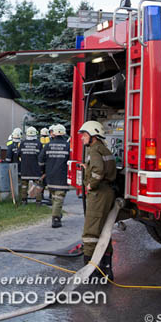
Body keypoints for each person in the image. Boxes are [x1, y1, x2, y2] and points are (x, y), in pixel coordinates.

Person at [79, 120, 117, 280]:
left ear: (93, 135)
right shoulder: (104, 149)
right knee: (103, 231)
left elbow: (98, 171)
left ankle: (88, 271)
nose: (82, 138)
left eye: (84, 135)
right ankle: (106, 269)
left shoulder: (94, 151)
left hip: (98, 193)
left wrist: (90, 185)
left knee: (91, 231)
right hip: (107, 192)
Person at [38, 124, 70, 228]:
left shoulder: (48, 145)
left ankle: (58, 213)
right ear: (63, 133)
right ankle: (55, 219)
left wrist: (43, 171)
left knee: (54, 197)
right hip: (62, 176)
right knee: (58, 198)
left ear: (53, 134)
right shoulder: (67, 146)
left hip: (50, 176)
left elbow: (41, 160)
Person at [19, 126, 43, 205]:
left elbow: (18, 154)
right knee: (38, 185)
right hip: (35, 169)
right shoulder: (39, 143)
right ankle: (38, 201)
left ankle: (24, 201)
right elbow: (41, 156)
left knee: (24, 186)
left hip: (24, 168)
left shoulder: (22, 143)